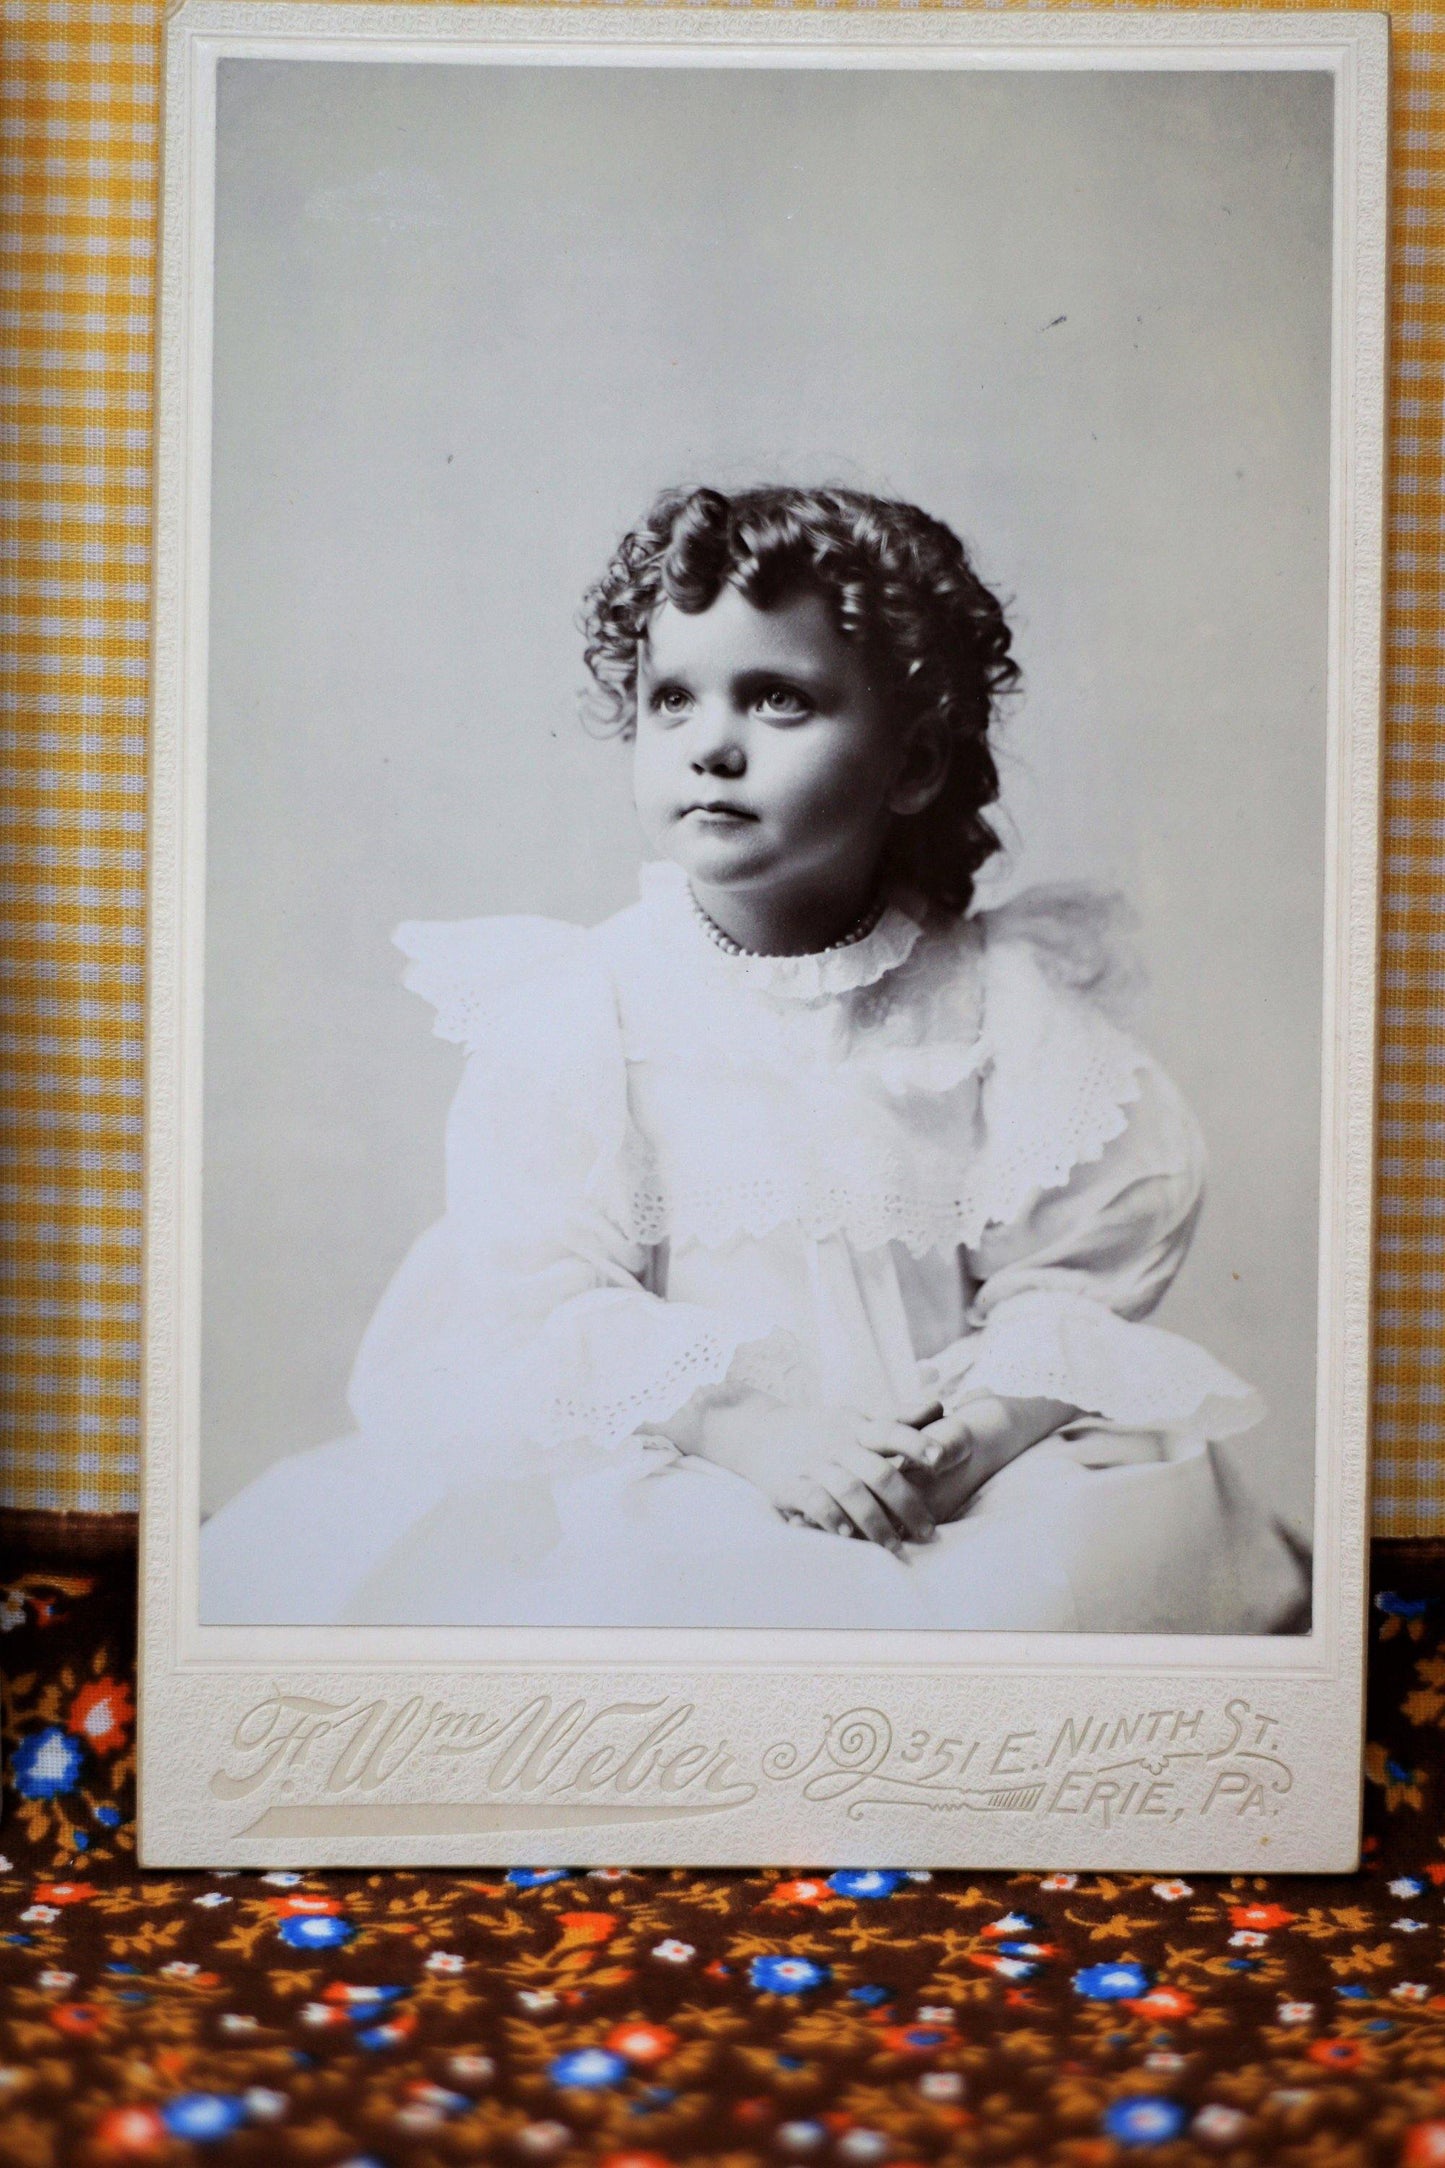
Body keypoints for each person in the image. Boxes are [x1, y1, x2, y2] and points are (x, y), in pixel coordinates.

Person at [200, 484, 1308, 1631]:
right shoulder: (591, 1006)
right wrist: (743, 1432)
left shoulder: (994, 1004)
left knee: (1060, 1576)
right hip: (684, 1459)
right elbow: (540, 1293)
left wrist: (983, 1427)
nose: (712, 744)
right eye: (669, 699)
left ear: (913, 764)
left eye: (777, 698)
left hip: (934, 1480)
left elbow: (1071, 1267)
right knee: (644, 1591)